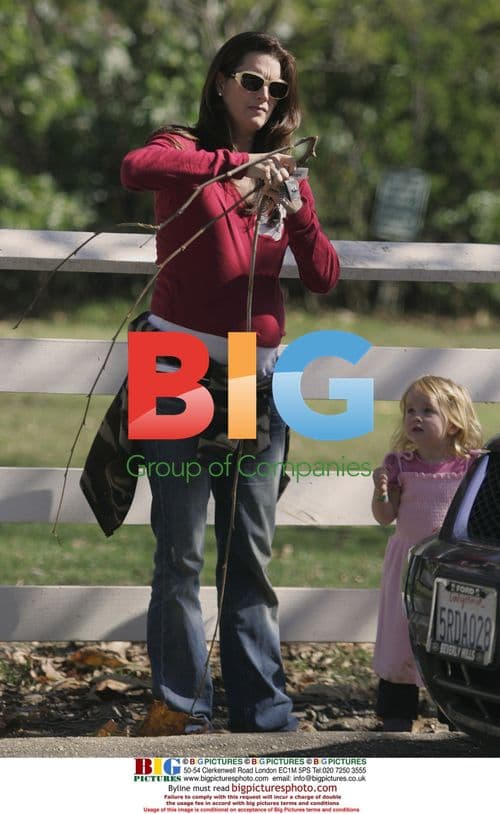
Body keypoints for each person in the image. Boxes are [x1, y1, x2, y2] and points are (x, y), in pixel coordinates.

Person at [120, 31, 340, 734]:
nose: (264, 96)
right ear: (220, 81)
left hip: (253, 370)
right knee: (179, 549)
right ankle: (180, 709)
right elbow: (134, 167)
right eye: (251, 80)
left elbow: (325, 278)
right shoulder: (184, 149)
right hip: (173, 367)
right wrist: (234, 167)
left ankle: (263, 712)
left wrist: (296, 202)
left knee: (249, 550)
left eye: (277, 88)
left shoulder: (286, 170)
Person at [371, 375, 483, 732]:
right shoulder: (401, 464)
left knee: (453, 635)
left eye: (427, 411)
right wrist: (381, 491)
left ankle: (455, 714)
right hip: (408, 564)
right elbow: (385, 518)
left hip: (454, 568)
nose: (415, 417)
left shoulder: (471, 466)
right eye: (410, 411)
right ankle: (397, 714)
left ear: (454, 422)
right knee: (401, 635)